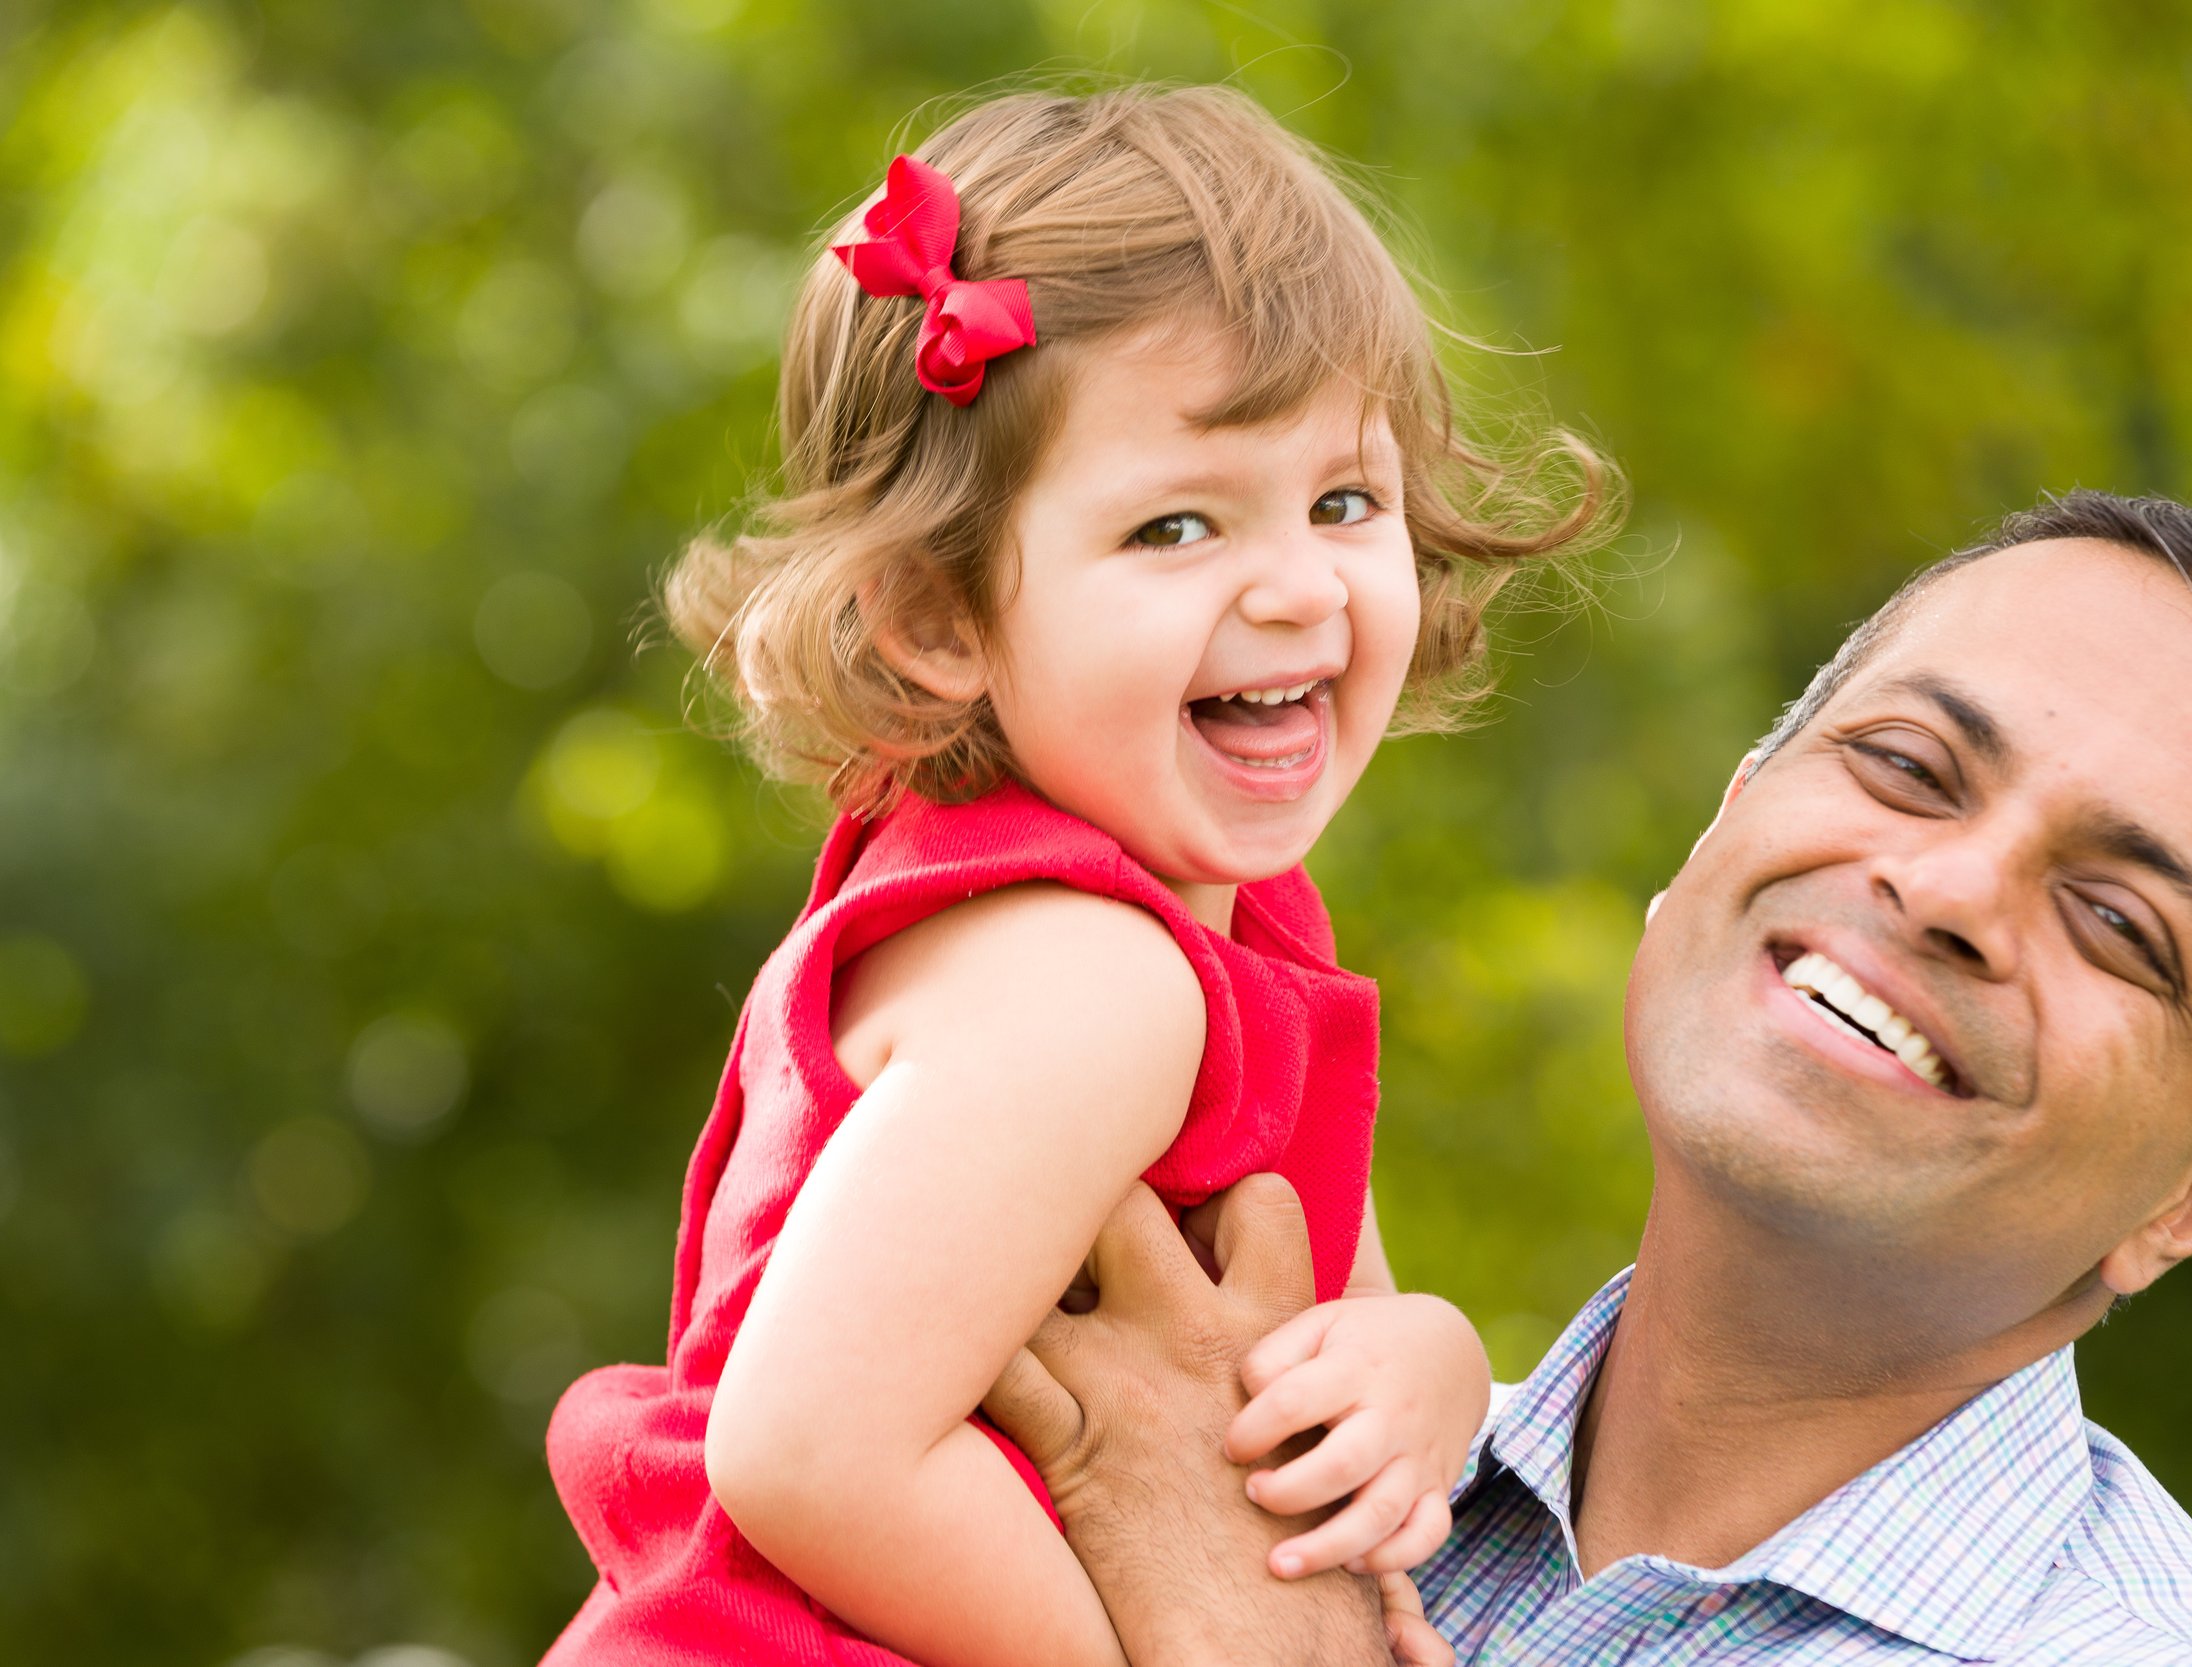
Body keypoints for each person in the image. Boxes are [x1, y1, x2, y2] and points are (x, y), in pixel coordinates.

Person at [981, 491, 2192, 1666]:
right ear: (1711, 843)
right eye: (1910, 765)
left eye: (2121, 923)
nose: (1947, 889)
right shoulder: (1263, 1463)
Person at [536, 85, 1614, 1667]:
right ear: (938, 619)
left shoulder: (1202, 937)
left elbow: (1324, 1323)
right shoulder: (1085, 978)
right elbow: (807, 1454)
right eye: (1178, 525)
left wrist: (1432, 1363)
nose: (1297, 585)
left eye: (1344, 501)